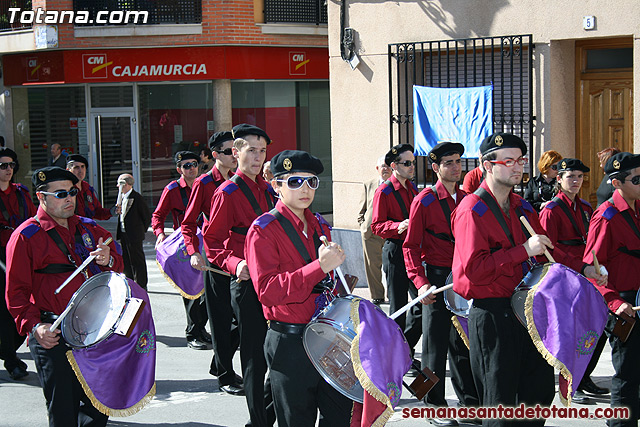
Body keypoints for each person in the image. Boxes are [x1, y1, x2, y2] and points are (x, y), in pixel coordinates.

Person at [451, 133, 604, 427]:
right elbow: (472, 271)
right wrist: (521, 251)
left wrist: (584, 270)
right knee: (501, 405)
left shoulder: (522, 206)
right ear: (487, 165)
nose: (517, 167)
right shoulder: (472, 209)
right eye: (508, 161)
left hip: (528, 311)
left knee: (537, 397)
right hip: (493, 312)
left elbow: (548, 250)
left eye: (520, 160)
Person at [5, 166, 123, 427]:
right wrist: (35, 327)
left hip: (94, 331)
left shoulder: (90, 229)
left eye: (72, 192)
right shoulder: (25, 237)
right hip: (52, 332)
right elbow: (16, 293)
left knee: (98, 406)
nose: (69, 198)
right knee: (63, 410)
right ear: (41, 197)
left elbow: (118, 269)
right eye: (60, 193)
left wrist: (109, 259)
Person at [246, 149, 352, 426]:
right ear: (276, 185)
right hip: (290, 341)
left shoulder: (318, 224)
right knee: (297, 421)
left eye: (311, 182)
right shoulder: (263, 229)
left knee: (340, 416)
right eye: (295, 181)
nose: (305, 189)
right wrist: (320, 266)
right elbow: (267, 291)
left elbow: (328, 280)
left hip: (327, 337)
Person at [203, 123, 275, 427]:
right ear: (236, 152)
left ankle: (269, 413)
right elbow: (212, 242)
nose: (257, 157)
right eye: (251, 150)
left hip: (275, 281)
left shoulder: (269, 189)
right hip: (247, 283)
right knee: (254, 356)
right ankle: (258, 420)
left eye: (262, 151)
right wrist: (234, 265)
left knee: (281, 350)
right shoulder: (227, 191)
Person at [403, 142, 478, 427]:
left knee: (463, 344)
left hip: (463, 279)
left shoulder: (469, 198)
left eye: (458, 161)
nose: (456, 167)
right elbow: (410, 246)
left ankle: (470, 404)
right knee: (434, 345)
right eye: (449, 163)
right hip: (435, 278)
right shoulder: (425, 200)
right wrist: (420, 283)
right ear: (435, 168)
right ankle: (433, 406)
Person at [538, 158, 609, 402]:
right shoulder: (551, 210)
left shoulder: (587, 208)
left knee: (595, 328)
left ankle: (584, 375)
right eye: (570, 176)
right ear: (559, 179)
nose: (576, 181)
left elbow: (591, 242)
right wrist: (579, 266)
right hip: (565, 277)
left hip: (586, 274)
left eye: (579, 177)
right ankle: (569, 385)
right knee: (570, 333)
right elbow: (548, 250)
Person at [182, 131, 243, 396]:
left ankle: (219, 364)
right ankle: (226, 374)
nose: (234, 155)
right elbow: (187, 223)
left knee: (242, 318)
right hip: (216, 257)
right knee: (219, 318)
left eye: (236, 150)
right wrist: (193, 251)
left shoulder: (243, 181)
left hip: (241, 258)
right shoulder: (204, 183)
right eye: (228, 151)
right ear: (216, 155)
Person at [584, 152, 640, 427]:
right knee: (626, 370)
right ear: (617, 183)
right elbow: (593, 270)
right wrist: (615, 303)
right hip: (622, 304)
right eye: (637, 179)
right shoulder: (605, 216)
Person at [152, 151, 210, 350]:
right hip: (186, 246)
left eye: (194, 164)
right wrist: (160, 234)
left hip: (209, 243)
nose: (192, 168)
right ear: (179, 169)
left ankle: (201, 329)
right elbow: (158, 215)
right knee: (190, 291)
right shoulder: (172, 189)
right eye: (186, 166)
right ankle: (192, 333)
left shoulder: (205, 184)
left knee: (207, 290)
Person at [371, 143, 422, 363]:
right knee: (399, 306)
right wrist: (397, 226)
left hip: (413, 251)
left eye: (413, 162)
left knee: (422, 301)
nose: (412, 167)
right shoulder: (384, 191)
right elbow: (376, 225)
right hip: (395, 250)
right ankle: (396, 357)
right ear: (394, 166)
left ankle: (405, 348)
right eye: (407, 163)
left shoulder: (412, 188)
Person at [0, 148, 36, 381]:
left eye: (11, 165)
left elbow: (34, 222)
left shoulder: (22, 193)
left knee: (26, 307)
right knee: (5, 311)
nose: (9, 169)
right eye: (3, 165)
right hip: (0, 261)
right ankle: (11, 359)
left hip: (22, 258)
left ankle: (8, 351)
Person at [357, 155, 390, 304]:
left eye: (388, 165)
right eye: (383, 166)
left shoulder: (397, 185)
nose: (386, 168)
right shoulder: (369, 184)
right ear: (377, 169)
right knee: (372, 268)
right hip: (371, 233)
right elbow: (362, 210)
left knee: (391, 267)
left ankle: (393, 296)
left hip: (390, 233)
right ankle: (377, 296)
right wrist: (363, 226)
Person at [116, 173, 151, 290]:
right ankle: (129, 281)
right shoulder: (121, 198)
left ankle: (141, 284)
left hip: (134, 234)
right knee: (126, 258)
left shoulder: (136, 198)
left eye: (119, 183)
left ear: (125, 184)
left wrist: (140, 230)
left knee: (137, 259)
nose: (117, 186)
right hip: (123, 233)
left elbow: (146, 216)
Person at [66, 154, 114, 220]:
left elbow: (97, 212)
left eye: (82, 167)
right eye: (76, 167)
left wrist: (110, 212)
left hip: (88, 227)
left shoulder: (87, 188)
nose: (80, 171)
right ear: (68, 170)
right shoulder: (66, 189)